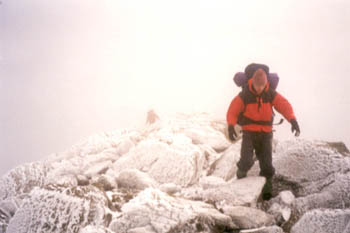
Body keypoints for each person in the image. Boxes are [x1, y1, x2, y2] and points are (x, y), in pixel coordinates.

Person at [226, 67, 300, 200]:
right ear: (252, 82)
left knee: (266, 163)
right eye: (257, 86)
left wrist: (292, 120)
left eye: (262, 86)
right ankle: (240, 178)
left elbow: (284, 105)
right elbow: (233, 110)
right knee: (246, 160)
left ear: (266, 83)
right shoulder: (245, 95)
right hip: (249, 133)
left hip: (266, 134)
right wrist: (231, 125)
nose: (260, 89)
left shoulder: (270, 93)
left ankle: (267, 191)